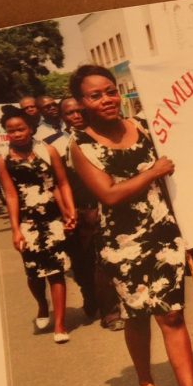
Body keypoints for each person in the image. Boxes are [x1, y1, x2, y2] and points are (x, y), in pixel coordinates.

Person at [68, 65, 193, 386]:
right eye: (95, 95)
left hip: (163, 234)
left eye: (110, 91)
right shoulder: (81, 146)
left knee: (172, 314)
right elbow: (108, 194)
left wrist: (189, 225)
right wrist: (153, 171)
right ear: (82, 103)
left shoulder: (145, 127)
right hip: (122, 244)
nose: (107, 99)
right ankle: (146, 382)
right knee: (137, 315)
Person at [0, 105, 76, 343]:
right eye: (11, 131)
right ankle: (42, 304)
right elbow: (10, 195)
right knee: (34, 274)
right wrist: (15, 230)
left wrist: (70, 211)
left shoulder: (47, 151)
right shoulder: (3, 159)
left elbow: (62, 183)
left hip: (53, 220)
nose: (17, 134)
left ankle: (59, 324)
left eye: (20, 129)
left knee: (56, 272)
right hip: (27, 222)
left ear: (30, 128)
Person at [59, 97, 125, 330]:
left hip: (104, 208)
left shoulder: (100, 137)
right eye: (70, 113)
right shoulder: (57, 145)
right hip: (76, 213)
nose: (76, 116)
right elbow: (58, 183)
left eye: (80, 111)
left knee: (104, 262)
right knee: (82, 265)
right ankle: (89, 296)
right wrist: (70, 211)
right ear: (63, 117)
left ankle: (111, 312)